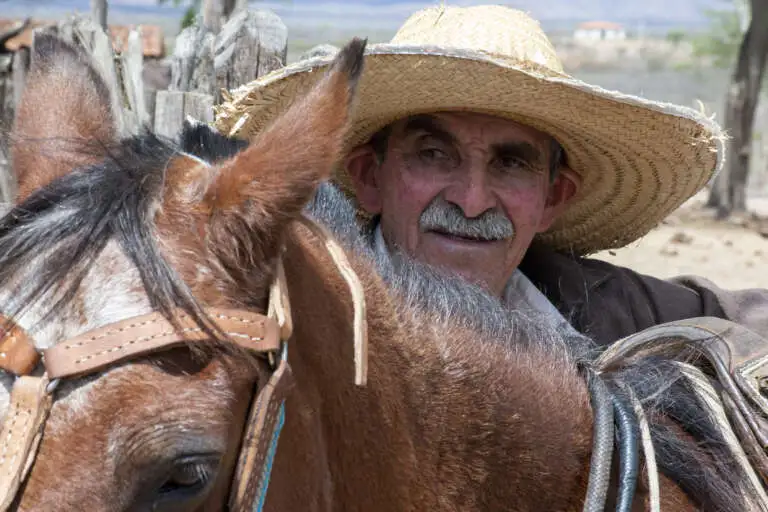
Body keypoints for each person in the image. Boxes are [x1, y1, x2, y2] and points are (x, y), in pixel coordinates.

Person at [213, 4, 768, 347]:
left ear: (554, 198)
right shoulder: (297, 318)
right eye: (433, 154)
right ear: (369, 177)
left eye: (511, 163)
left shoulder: (590, 302)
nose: (473, 200)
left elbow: (740, 318)